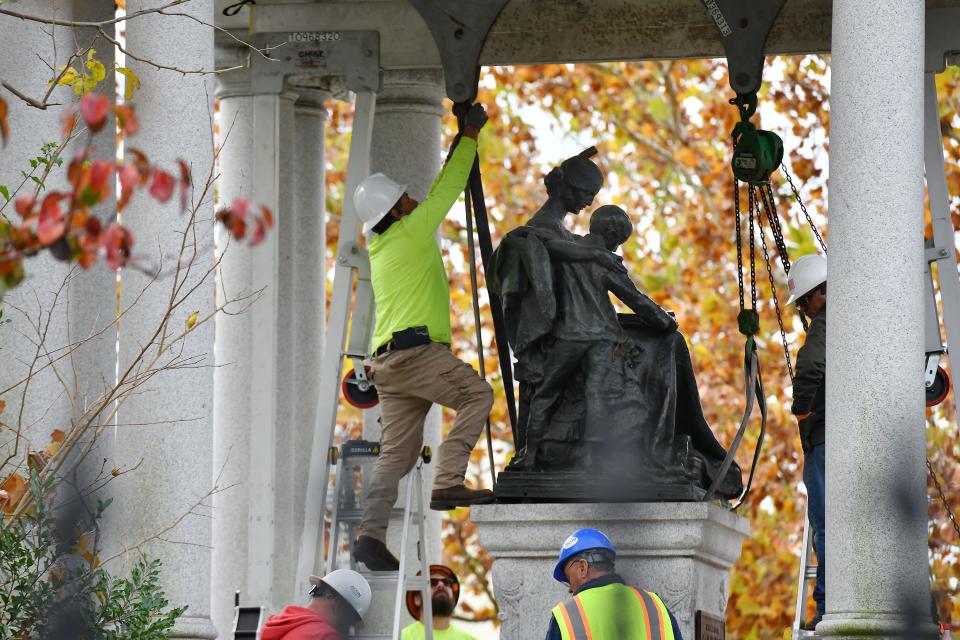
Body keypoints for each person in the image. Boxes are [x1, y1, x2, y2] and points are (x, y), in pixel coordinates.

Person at [351, 103, 495, 572]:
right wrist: (470, 133)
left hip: (388, 366)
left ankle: (370, 536)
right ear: (396, 209)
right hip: (416, 355)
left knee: (397, 453)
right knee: (478, 393)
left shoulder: (380, 244)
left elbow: (435, 189)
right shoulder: (412, 232)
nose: (413, 200)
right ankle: (448, 481)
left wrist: (462, 139)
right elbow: (448, 187)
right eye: (405, 198)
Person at [516, 205, 677, 469]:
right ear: (612, 232)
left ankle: (529, 455)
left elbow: (533, 239)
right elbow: (635, 299)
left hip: (568, 335)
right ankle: (589, 458)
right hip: (603, 339)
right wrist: (665, 321)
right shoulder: (605, 260)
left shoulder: (567, 248)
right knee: (597, 395)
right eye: (619, 240)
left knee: (545, 392)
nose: (616, 248)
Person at [787, 253, 827, 631]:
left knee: (825, 522)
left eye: (804, 299)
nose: (803, 308)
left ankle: (827, 605)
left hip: (825, 438)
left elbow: (812, 367)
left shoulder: (825, 324)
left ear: (823, 293)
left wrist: (801, 410)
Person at [545, 528, 683, 639]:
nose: (570, 589)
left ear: (583, 567)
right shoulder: (654, 605)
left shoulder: (567, 615)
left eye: (569, 578)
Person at [261, 569, 371, 640]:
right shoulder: (325, 635)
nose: (348, 631)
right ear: (338, 606)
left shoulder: (284, 625)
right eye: (349, 622)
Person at [401, 564, 478, 640]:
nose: (441, 584)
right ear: (417, 599)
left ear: (453, 598)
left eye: (447, 582)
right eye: (432, 582)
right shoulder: (402, 637)